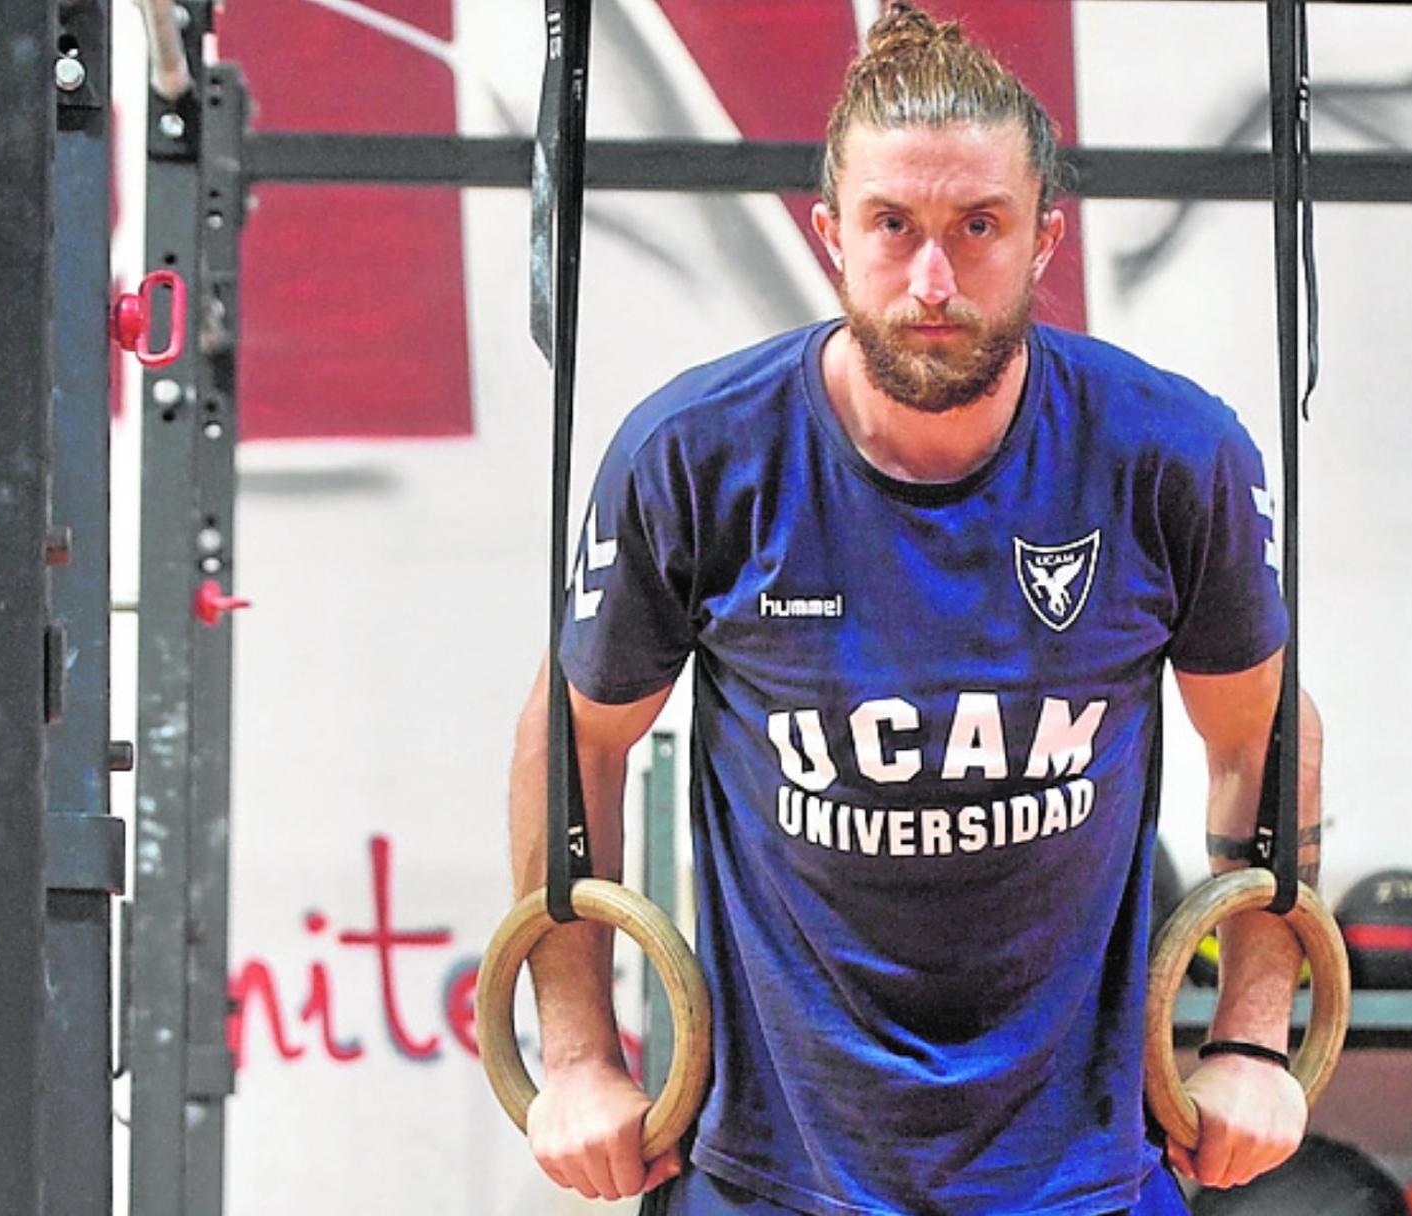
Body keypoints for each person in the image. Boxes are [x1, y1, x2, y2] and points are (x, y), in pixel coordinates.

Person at [507, 4, 1323, 1212]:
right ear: (832, 232)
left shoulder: (1165, 454)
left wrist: (1255, 1038)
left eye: (977, 226)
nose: (932, 279)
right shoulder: (698, 455)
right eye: (894, 227)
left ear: (1046, 235)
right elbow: (576, 739)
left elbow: (1261, 737)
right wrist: (576, 1055)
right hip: (773, 1174)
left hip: (1080, 1174)